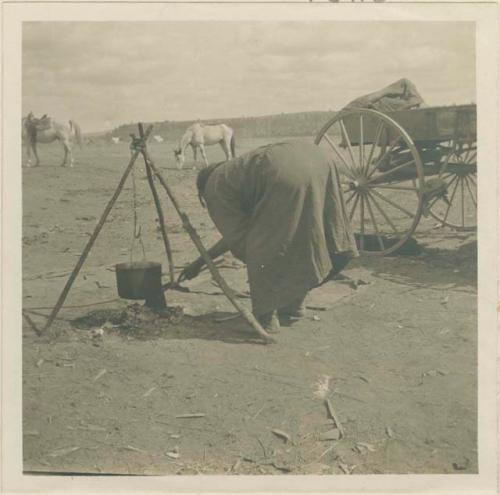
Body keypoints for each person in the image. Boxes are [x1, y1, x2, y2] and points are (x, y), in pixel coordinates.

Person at [179, 141, 359, 333]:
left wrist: (261, 259)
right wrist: (199, 263)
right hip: (317, 159)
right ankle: (294, 304)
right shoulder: (239, 172)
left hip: (284, 172)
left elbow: (239, 238)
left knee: (263, 248)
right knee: (308, 234)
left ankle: (266, 318)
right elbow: (239, 233)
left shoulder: (215, 185)